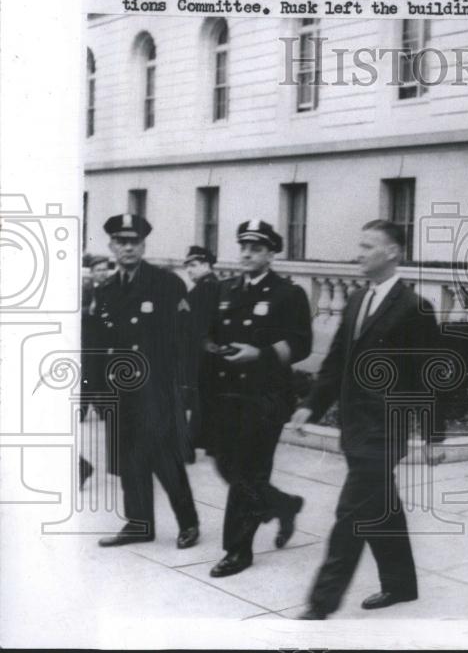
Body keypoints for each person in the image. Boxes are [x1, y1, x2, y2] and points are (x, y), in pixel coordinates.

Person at [290, 220, 444, 619]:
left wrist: (433, 435)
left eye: (367, 246)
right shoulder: (358, 299)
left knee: (351, 514)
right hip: (356, 425)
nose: (357, 253)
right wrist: (311, 405)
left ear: (392, 252)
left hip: (384, 431)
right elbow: (337, 359)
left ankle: (320, 604)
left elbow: (431, 377)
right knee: (381, 506)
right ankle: (401, 584)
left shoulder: (415, 308)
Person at [204, 221, 312, 578]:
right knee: (225, 466)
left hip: (265, 398)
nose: (247, 254)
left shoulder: (287, 293)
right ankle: (283, 505)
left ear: (270, 253)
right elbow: (208, 333)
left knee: (248, 472)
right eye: (243, 247)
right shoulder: (225, 289)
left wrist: (259, 354)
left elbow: (300, 345)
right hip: (227, 396)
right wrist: (212, 346)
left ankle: (238, 551)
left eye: (256, 248)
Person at [94, 214, 199, 549]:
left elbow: (184, 340)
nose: (128, 247)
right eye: (121, 242)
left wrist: (183, 390)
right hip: (120, 390)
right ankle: (138, 523)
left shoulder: (166, 284)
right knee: (129, 458)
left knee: (164, 458)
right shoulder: (106, 288)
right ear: (111, 246)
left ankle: (188, 523)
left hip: (156, 388)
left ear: (143, 246)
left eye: (134, 242)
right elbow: (99, 341)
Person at [183, 245, 221, 458]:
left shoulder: (206, 288)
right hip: (204, 352)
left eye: (194, 265)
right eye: (188, 266)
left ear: (207, 265)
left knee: (199, 400)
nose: (189, 270)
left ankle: (188, 447)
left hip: (201, 353)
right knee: (205, 401)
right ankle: (210, 445)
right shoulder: (207, 286)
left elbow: (200, 323)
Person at [79, 255, 113, 489]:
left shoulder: (109, 290)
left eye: (104, 269)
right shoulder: (86, 290)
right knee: (88, 378)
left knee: (98, 378)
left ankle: (101, 408)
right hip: (88, 341)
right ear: (90, 272)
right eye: (97, 269)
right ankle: (83, 410)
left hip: (102, 342)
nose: (101, 273)